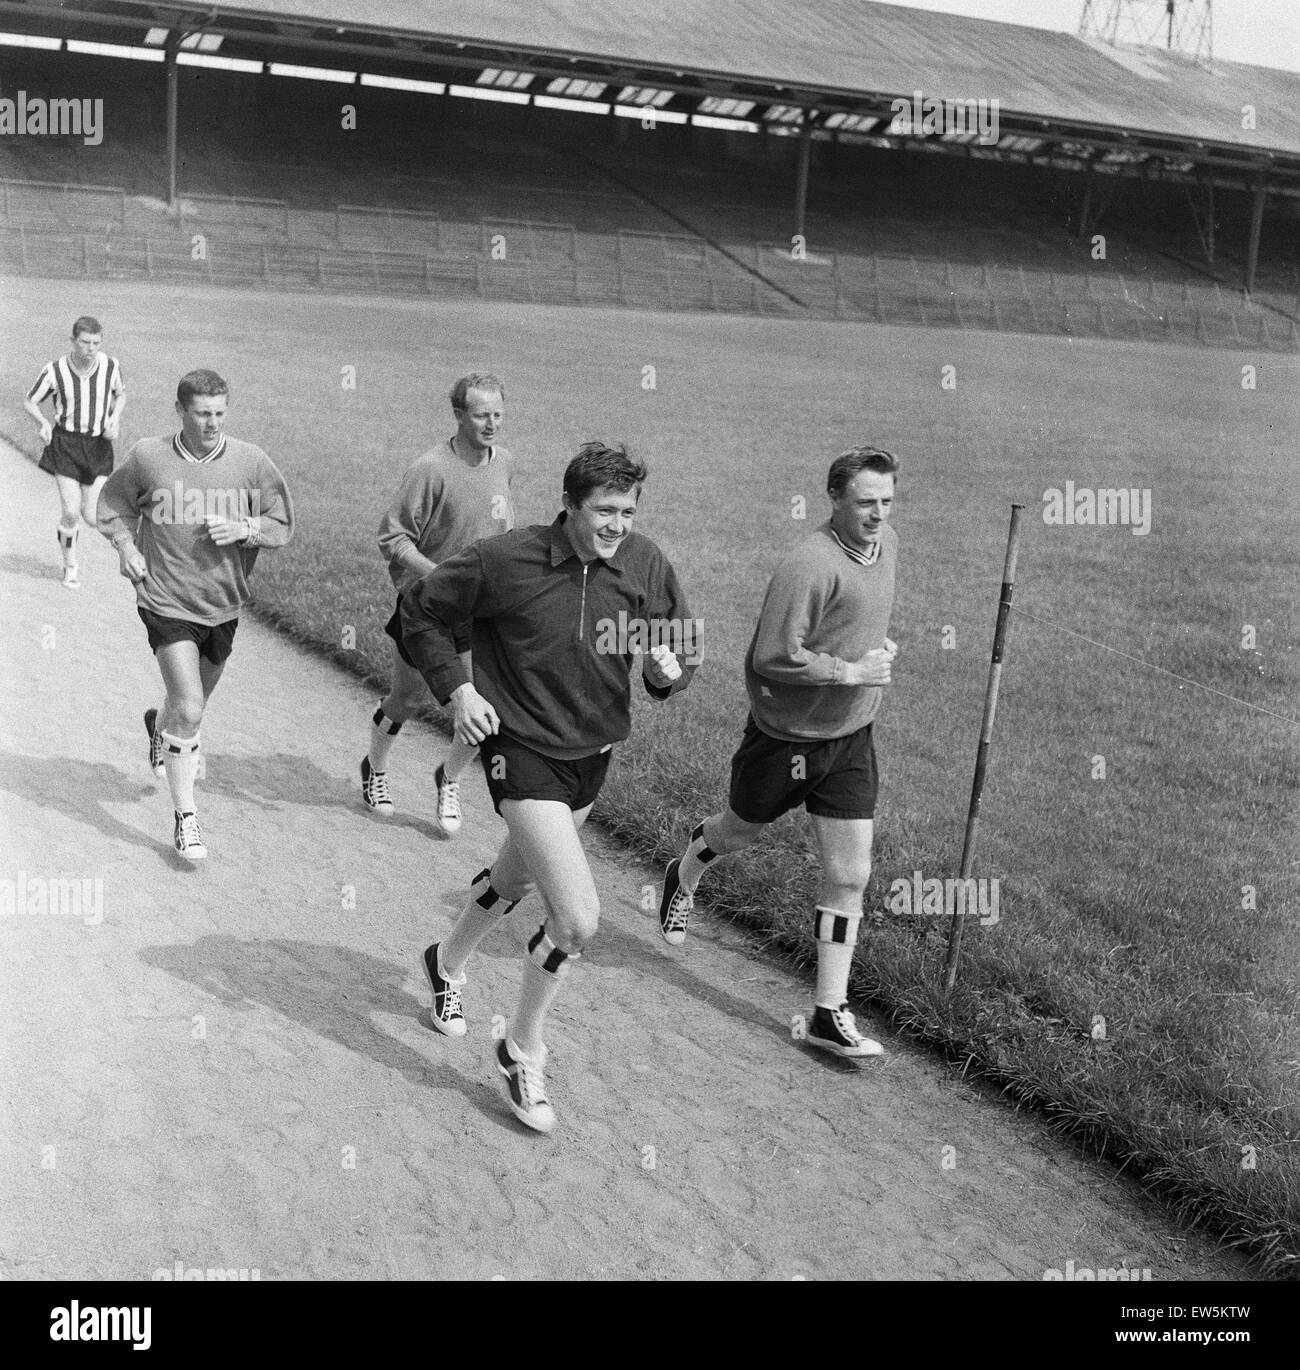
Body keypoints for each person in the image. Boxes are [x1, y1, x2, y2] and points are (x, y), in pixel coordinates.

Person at [401, 443, 697, 1132]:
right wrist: (459, 689)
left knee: (514, 881)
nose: (618, 524)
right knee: (576, 919)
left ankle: (444, 964)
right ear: (569, 505)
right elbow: (421, 610)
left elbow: (681, 651)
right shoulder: (506, 560)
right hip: (522, 752)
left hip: (591, 756)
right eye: (604, 510)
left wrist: (666, 671)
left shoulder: (646, 563)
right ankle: (521, 1048)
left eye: (627, 511)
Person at [657, 446, 900, 1059]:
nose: (878, 514)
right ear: (835, 499)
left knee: (850, 874)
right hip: (785, 739)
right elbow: (769, 656)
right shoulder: (809, 564)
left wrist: (873, 652)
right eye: (866, 502)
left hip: (850, 737)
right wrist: (849, 670)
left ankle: (827, 1010)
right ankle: (686, 869)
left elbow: (857, 621)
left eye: (887, 501)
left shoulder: (887, 544)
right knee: (738, 832)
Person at [96, 370, 294, 861]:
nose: (212, 423)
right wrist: (124, 546)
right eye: (203, 413)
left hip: (223, 602)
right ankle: (186, 818)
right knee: (190, 709)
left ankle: (156, 725)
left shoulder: (250, 462)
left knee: (193, 701)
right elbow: (113, 503)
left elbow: (282, 521)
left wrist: (246, 527)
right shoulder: (148, 456)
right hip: (163, 598)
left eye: (220, 413)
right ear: (180, 410)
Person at [363, 373, 515, 836]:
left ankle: (447, 778)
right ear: (457, 416)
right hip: (425, 607)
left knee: (482, 707)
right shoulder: (430, 469)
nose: (491, 424)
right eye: (480, 415)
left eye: (497, 414)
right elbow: (394, 537)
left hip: (480, 612)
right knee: (407, 698)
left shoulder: (504, 461)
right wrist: (443, 576)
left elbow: (503, 529)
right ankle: (375, 768)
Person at [24, 315, 126, 589]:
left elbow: (121, 395)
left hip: (98, 446)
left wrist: (114, 419)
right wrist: (43, 422)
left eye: (96, 342)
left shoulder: (110, 366)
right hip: (66, 445)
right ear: (73, 341)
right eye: (85, 342)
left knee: (93, 518)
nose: (91, 348)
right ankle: (70, 565)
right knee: (71, 511)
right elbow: (30, 401)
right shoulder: (55, 370)